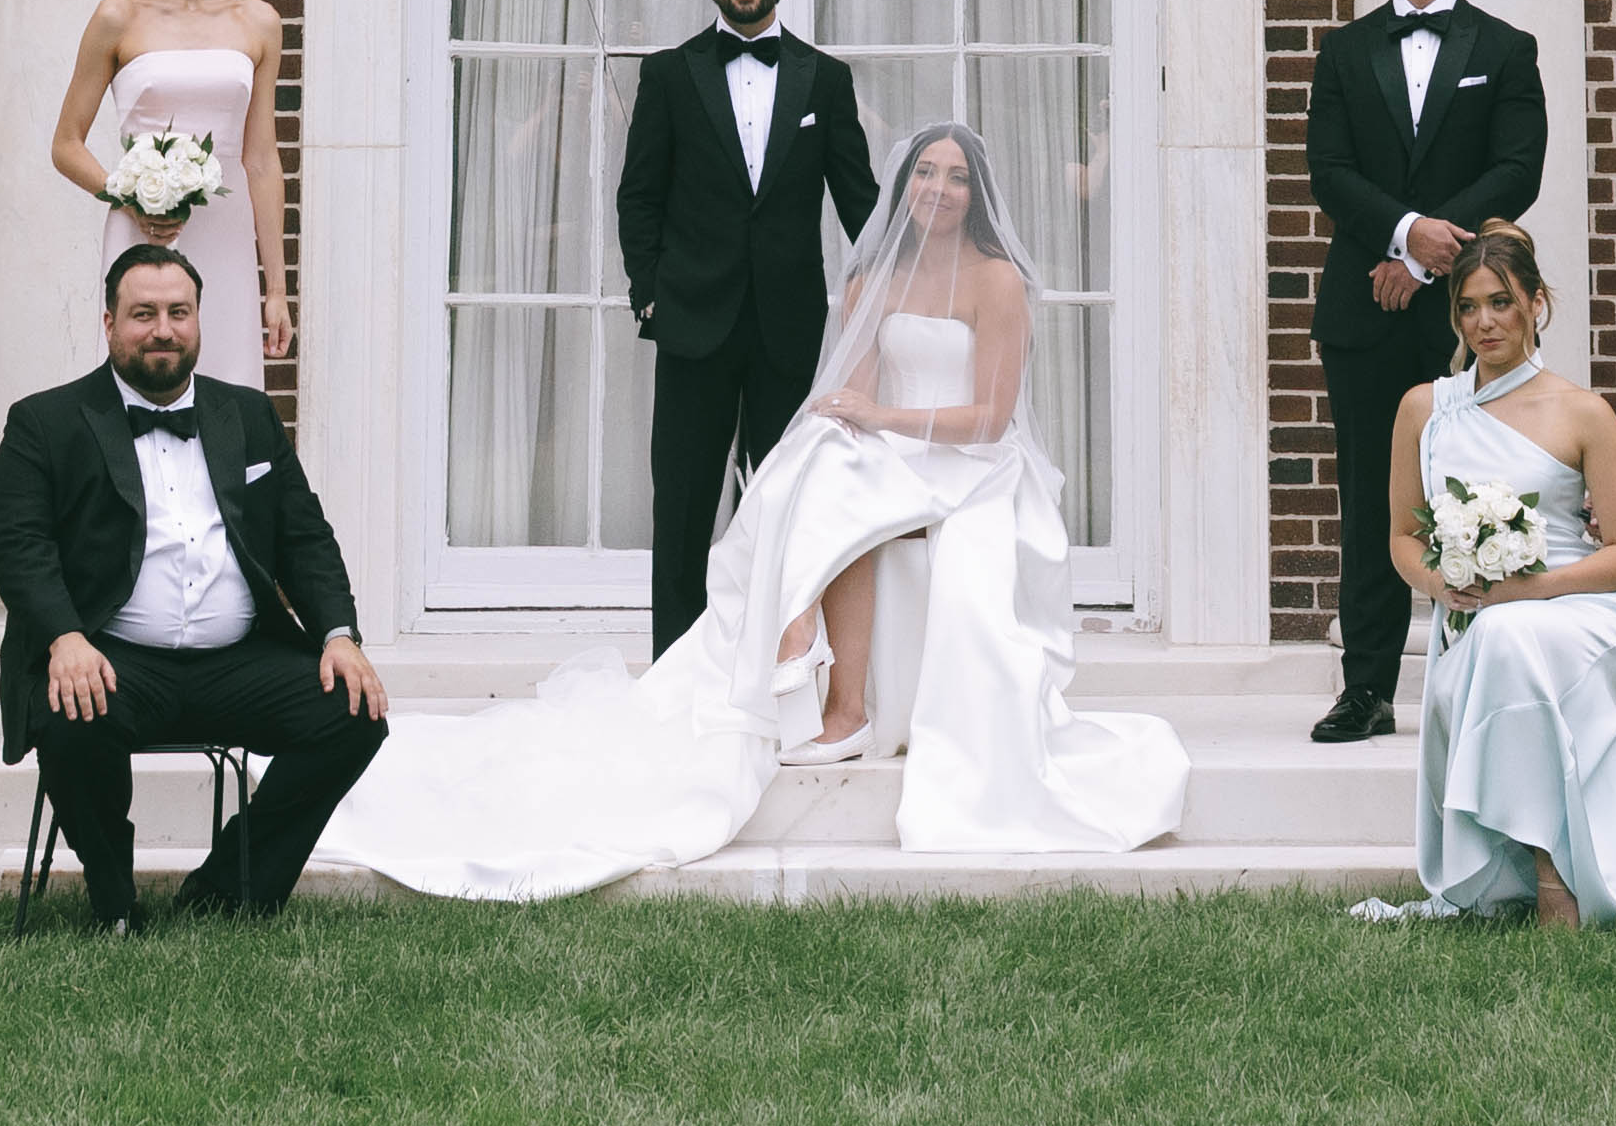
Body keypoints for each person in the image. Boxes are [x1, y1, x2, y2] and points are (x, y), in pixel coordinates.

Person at [316, 117, 1183, 900]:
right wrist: (849, 421)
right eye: (926, 173)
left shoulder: (998, 282)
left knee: (848, 471)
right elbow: (855, 392)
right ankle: (804, 642)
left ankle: (831, 688)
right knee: (818, 457)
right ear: (903, 184)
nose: (940, 190)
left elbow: (990, 420)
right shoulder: (874, 279)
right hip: (897, 456)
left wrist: (874, 421)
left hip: (975, 468)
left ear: (978, 193)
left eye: (957, 177)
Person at [0, 245, 395, 933]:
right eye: (143, 314)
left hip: (238, 660)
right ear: (109, 323)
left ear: (200, 320)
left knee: (354, 714)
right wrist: (65, 637)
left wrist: (338, 636)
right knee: (71, 711)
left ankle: (231, 888)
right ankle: (115, 903)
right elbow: (17, 544)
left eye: (178, 312)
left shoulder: (250, 415)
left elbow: (304, 537)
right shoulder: (44, 422)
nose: (163, 330)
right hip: (113, 655)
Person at [1301, 0, 1544, 743]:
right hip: (1364, 308)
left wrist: (1438, 252)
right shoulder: (1342, 50)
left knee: (1481, 490)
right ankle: (1365, 690)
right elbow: (1327, 170)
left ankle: (1488, 683)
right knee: (1372, 498)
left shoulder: (1505, 48)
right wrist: (1403, 236)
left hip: (1471, 314)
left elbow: (1521, 167)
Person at [1364, 223, 1616, 928]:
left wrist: (1529, 590)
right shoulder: (1424, 409)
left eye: (1501, 302)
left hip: (1576, 612)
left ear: (1536, 304)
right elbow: (1402, 537)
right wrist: (1439, 584)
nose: (1485, 321)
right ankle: (1541, 873)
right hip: (1471, 617)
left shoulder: (1584, 412)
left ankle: (1553, 877)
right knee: (1498, 636)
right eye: (1468, 306)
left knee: (1509, 636)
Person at [610, 0, 875, 654]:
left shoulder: (825, 81)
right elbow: (639, 198)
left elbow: (858, 201)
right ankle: (674, 674)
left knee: (787, 507)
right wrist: (650, 291)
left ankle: (776, 669)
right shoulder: (669, 75)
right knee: (686, 508)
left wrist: (909, 286)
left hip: (789, 327)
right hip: (692, 321)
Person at [46, 0, 286, 402]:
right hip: (141, 226)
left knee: (227, 387)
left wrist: (275, 288)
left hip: (226, 232)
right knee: (141, 375)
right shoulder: (117, 17)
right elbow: (66, 144)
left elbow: (261, 159)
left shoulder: (259, 23)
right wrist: (128, 198)